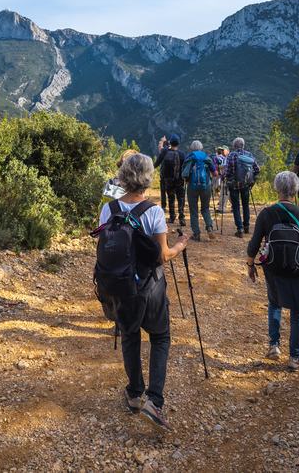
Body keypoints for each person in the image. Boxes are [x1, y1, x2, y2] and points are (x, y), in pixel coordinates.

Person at [98, 154, 190, 429]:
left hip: (119, 287)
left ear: (124, 176)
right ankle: (155, 401)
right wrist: (180, 245)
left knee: (129, 335)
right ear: (148, 178)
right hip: (150, 287)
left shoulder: (109, 209)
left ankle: (135, 394)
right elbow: (162, 256)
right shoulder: (153, 211)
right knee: (160, 337)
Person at [246, 171, 299, 370]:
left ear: (277, 189)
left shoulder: (266, 213)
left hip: (273, 270)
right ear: (296, 190)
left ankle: (273, 346)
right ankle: (295, 357)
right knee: (298, 312)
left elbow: (254, 245)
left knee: (274, 303)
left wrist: (250, 266)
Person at [223, 137, 260, 238]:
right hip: (246, 185)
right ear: (243, 145)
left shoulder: (231, 155)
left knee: (236, 206)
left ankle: (239, 229)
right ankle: (246, 226)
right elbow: (257, 169)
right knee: (245, 205)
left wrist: (224, 178)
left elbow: (226, 172)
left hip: (234, 185)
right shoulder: (249, 155)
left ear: (234, 146)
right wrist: (251, 179)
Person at [183, 140, 217, 241]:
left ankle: (196, 234)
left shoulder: (189, 157)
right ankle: (209, 227)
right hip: (206, 186)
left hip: (192, 187)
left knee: (193, 211)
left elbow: (184, 174)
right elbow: (215, 173)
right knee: (205, 208)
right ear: (201, 147)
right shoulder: (206, 157)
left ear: (192, 148)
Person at [154, 134, 186, 226]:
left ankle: (172, 217)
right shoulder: (182, 154)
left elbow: (156, 163)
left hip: (168, 180)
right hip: (179, 180)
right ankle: (182, 218)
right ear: (178, 143)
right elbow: (184, 168)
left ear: (170, 143)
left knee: (171, 198)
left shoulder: (164, 152)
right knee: (181, 198)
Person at [212, 147, 228, 212]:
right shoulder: (225, 158)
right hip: (223, 176)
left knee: (218, 189)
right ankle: (222, 205)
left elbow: (213, 166)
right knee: (224, 192)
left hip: (217, 175)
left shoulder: (215, 158)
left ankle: (221, 206)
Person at [156, 136, 169, 211]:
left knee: (163, 192)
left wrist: (162, 141)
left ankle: (164, 206)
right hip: (172, 176)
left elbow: (157, 163)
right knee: (171, 193)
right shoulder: (172, 151)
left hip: (164, 175)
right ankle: (172, 209)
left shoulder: (163, 152)